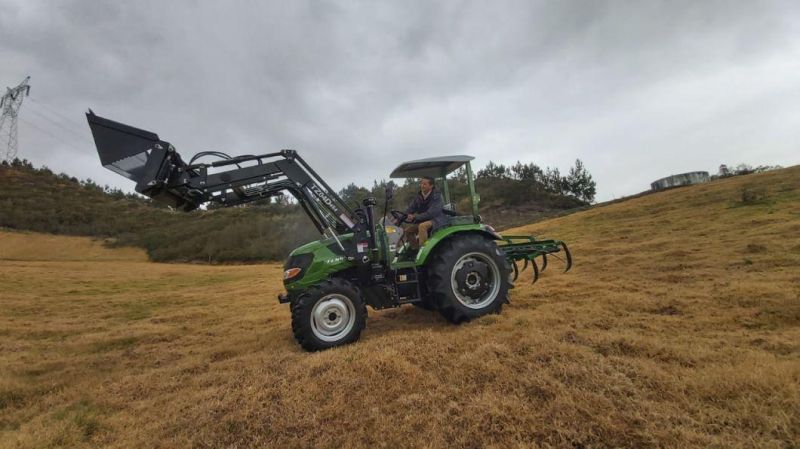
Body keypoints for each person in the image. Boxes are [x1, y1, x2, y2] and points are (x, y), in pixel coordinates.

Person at [402, 176, 447, 249]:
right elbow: (411, 208)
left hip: (437, 219)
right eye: (421, 183)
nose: (422, 186)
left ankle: (423, 250)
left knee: (422, 226)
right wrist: (404, 215)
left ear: (431, 186)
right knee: (408, 231)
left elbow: (432, 213)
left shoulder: (437, 196)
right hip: (424, 219)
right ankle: (415, 249)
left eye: (424, 184)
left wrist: (415, 217)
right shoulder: (419, 196)